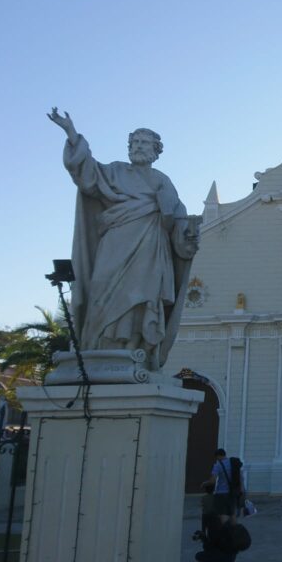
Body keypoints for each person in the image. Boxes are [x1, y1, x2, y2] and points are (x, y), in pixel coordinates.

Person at [48, 108, 200, 371]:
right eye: (135, 142)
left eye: (144, 143)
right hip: (115, 244)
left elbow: (178, 226)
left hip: (150, 251)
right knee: (101, 291)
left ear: (156, 150)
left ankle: (133, 350)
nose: (138, 147)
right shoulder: (116, 172)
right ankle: (97, 346)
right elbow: (87, 175)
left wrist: (185, 231)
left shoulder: (164, 182)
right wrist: (72, 134)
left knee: (141, 300)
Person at [204, 448, 236, 523]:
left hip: (221, 493)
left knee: (223, 513)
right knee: (232, 513)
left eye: (217, 458)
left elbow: (212, 481)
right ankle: (235, 531)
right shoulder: (233, 463)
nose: (217, 459)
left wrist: (204, 483)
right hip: (232, 493)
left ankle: (224, 532)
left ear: (218, 456)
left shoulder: (218, 465)